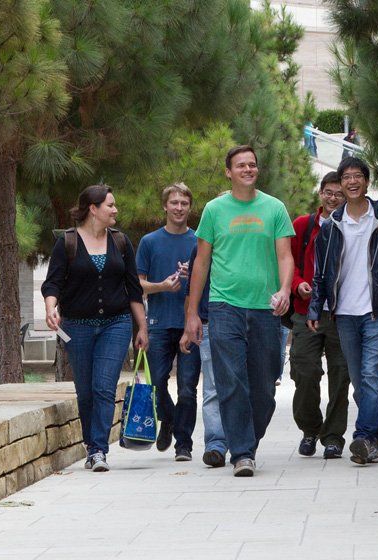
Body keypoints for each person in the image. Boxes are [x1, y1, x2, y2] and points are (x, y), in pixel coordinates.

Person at [184, 145, 295, 477]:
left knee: (264, 387)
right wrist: (192, 313)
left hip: (265, 308)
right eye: (241, 165)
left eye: (252, 165)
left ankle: (247, 439)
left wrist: (285, 288)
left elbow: (285, 256)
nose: (248, 169)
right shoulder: (214, 210)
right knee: (231, 381)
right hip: (224, 306)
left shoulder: (274, 208)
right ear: (228, 172)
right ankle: (243, 453)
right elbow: (201, 263)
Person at [308, 156, 378, 466]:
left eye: (358, 176)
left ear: (367, 181)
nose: (352, 182)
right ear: (341, 184)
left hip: (377, 311)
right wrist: (316, 307)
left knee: (369, 377)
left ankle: (362, 436)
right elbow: (321, 272)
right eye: (346, 177)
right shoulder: (332, 223)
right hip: (344, 314)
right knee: (359, 379)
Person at [42, 184, 148, 472]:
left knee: (103, 387)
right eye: (110, 205)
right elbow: (52, 283)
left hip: (116, 323)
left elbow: (133, 289)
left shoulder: (121, 242)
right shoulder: (68, 242)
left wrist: (142, 327)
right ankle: (91, 444)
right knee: (86, 390)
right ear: (93, 209)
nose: (115, 210)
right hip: (77, 326)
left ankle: (99, 450)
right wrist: (51, 307)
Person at [136, 183, 200, 462]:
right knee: (156, 383)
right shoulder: (149, 242)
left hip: (190, 324)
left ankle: (183, 444)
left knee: (188, 387)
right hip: (159, 323)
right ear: (165, 206)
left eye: (184, 203)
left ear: (190, 207)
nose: (178, 208)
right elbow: (137, 286)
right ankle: (169, 419)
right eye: (173, 203)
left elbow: (210, 281)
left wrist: (193, 278)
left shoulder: (200, 241)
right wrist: (161, 286)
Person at [288, 171, 351, 460]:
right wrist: (296, 283)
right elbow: (287, 262)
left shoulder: (352, 225)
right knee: (304, 370)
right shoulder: (303, 225)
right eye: (329, 192)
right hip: (306, 312)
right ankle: (310, 429)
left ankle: (334, 436)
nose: (334, 198)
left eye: (339, 193)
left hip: (342, 314)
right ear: (321, 193)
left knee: (341, 376)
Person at [179, 242, 228, 468]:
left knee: (249, 387)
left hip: (248, 317)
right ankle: (215, 445)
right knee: (212, 388)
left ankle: (244, 440)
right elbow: (192, 288)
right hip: (209, 321)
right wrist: (190, 323)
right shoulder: (205, 241)